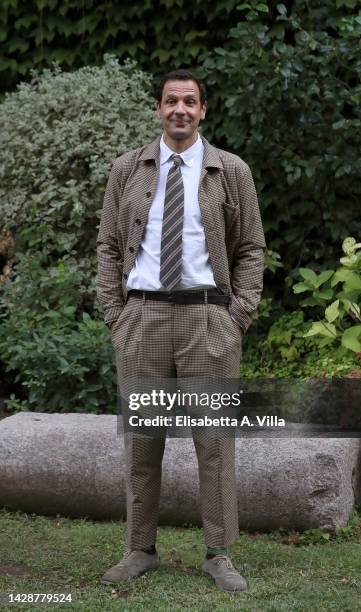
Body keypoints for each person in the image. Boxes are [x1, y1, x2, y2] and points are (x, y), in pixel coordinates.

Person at [96, 69, 266, 592]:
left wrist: (238, 314)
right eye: (172, 101)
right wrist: (113, 310)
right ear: (158, 109)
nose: (180, 110)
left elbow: (251, 248)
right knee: (142, 444)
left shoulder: (230, 170)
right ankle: (140, 550)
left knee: (214, 443)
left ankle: (218, 554)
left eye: (190, 102)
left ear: (203, 111)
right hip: (142, 319)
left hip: (208, 320)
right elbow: (106, 245)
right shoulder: (128, 169)